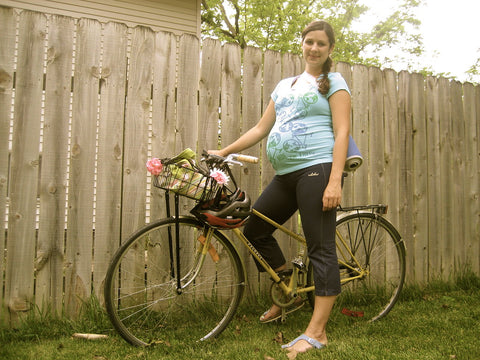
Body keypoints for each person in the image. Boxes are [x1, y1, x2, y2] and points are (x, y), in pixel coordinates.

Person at [209, 20, 350, 356]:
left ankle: (317, 333)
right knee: (255, 229)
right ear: (300, 45)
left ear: (329, 50)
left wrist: (334, 181)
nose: (314, 48)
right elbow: (261, 128)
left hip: (318, 169)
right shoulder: (285, 85)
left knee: (320, 248)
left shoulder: (333, 82)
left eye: (321, 44)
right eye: (308, 42)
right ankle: (290, 292)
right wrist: (224, 150)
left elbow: (342, 132)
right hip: (286, 174)